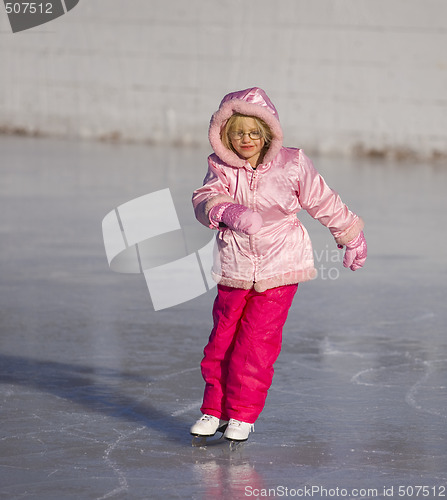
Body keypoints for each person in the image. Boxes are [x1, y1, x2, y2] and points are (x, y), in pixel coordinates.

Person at [190, 87, 367, 442]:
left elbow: (323, 201)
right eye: (237, 132)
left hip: (281, 265)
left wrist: (350, 235)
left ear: (268, 132)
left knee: (256, 343)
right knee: (221, 342)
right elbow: (204, 199)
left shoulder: (292, 163)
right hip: (235, 265)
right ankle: (214, 410)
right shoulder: (219, 165)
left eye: (255, 132)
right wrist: (228, 211)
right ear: (224, 134)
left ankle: (241, 414)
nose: (247, 140)